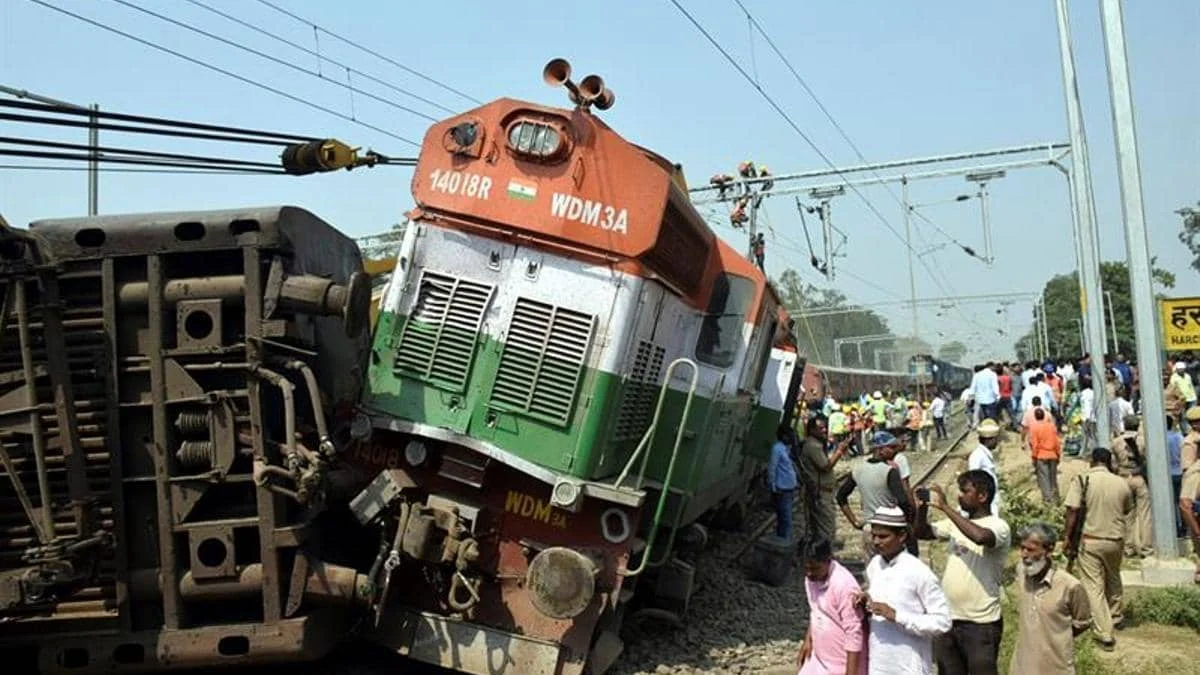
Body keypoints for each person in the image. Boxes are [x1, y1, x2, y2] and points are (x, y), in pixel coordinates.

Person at [914, 470, 1009, 675]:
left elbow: (980, 537)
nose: (959, 495)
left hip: (980, 623)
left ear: (982, 496)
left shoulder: (999, 526)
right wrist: (922, 509)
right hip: (949, 619)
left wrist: (945, 507)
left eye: (965, 491)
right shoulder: (955, 525)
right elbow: (921, 533)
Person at [859, 506, 951, 675]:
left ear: (902, 536)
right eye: (874, 536)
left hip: (909, 664)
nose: (876, 541)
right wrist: (865, 603)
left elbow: (942, 622)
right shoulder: (875, 566)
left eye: (883, 536)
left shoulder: (919, 572)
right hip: (879, 662)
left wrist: (898, 616)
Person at [1063, 447, 1133, 650]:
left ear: (1092, 461)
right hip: (1116, 540)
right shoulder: (1121, 482)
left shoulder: (1083, 479)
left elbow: (1073, 510)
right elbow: (1127, 508)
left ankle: (1105, 632)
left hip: (1091, 539)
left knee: (1093, 586)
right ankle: (1115, 615)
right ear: (1109, 462)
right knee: (1113, 576)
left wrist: (1067, 537)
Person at [1009, 522, 1092, 675]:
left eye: (1031, 549)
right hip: (1022, 667)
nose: (1024, 555)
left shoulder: (1070, 586)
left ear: (1049, 550)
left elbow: (1083, 622)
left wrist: (1057, 635)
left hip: (1055, 668)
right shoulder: (1021, 572)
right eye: (1022, 548)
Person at [837, 432, 913, 558]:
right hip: (889, 529)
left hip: (869, 529)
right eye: (891, 448)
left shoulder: (858, 469)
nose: (895, 451)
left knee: (874, 570)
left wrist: (854, 521)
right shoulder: (889, 471)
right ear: (880, 449)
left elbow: (841, 496)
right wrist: (908, 523)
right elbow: (903, 501)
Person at [797, 538, 866, 675]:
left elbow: (854, 632)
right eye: (806, 568)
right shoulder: (811, 579)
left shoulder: (843, 585)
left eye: (815, 569)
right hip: (820, 658)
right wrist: (808, 639)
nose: (809, 574)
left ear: (828, 560)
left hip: (841, 663)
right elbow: (815, 610)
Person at [799, 416, 852, 548]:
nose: (824, 430)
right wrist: (839, 451)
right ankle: (825, 556)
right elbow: (825, 466)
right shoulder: (813, 446)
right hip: (820, 493)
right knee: (826, 528)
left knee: (820, 528)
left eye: (825, 427)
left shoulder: (814, 444)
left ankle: (819, 554)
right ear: (812, 430)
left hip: (821, 491)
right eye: (820, 428)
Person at [1113, 415, 1152, 558]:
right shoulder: (1143, 440)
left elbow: (1113, 463)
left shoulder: (1116, 442)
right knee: (1145, 514)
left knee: (1126, 515)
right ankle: (1146, 548)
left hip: (1123, 478)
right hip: (1139, 477)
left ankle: (1128, 547)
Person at [767, 422, 800, 540]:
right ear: (783, 436)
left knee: (785, 517)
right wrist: (773, 486)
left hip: (789, 487)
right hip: (782, 488)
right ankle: (784, 540)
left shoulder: (788, 449)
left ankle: (783, 538)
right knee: (786, 518)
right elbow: (772, 467)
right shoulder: (777, 449)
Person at [968, 419, 1003, 516]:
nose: (997, 442)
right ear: (989, 440)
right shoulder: (977, 456)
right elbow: (973, 480)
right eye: (996, 439)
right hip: (985, 502)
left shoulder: (984, 454)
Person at [1029, 407, 1062, 502]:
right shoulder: (1051, 426)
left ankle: (1048, 500)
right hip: (1053, 455)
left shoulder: (1034, 428)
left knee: (1044, 479)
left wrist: (1034, 457)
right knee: (1053, 478)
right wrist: (1058, 454)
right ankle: (1056, 498)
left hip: (1041, 456)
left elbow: (1034, 444)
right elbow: (1057, 442)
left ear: (1035, 417)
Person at [1168, 415, 1185, 537]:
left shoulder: (1159, 438)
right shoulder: (1178, 437)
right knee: (1181, 501)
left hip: (1167, 474)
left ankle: (1174, 528)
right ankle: (1184, 526)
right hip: (1179, 472)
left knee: (1171, 502)